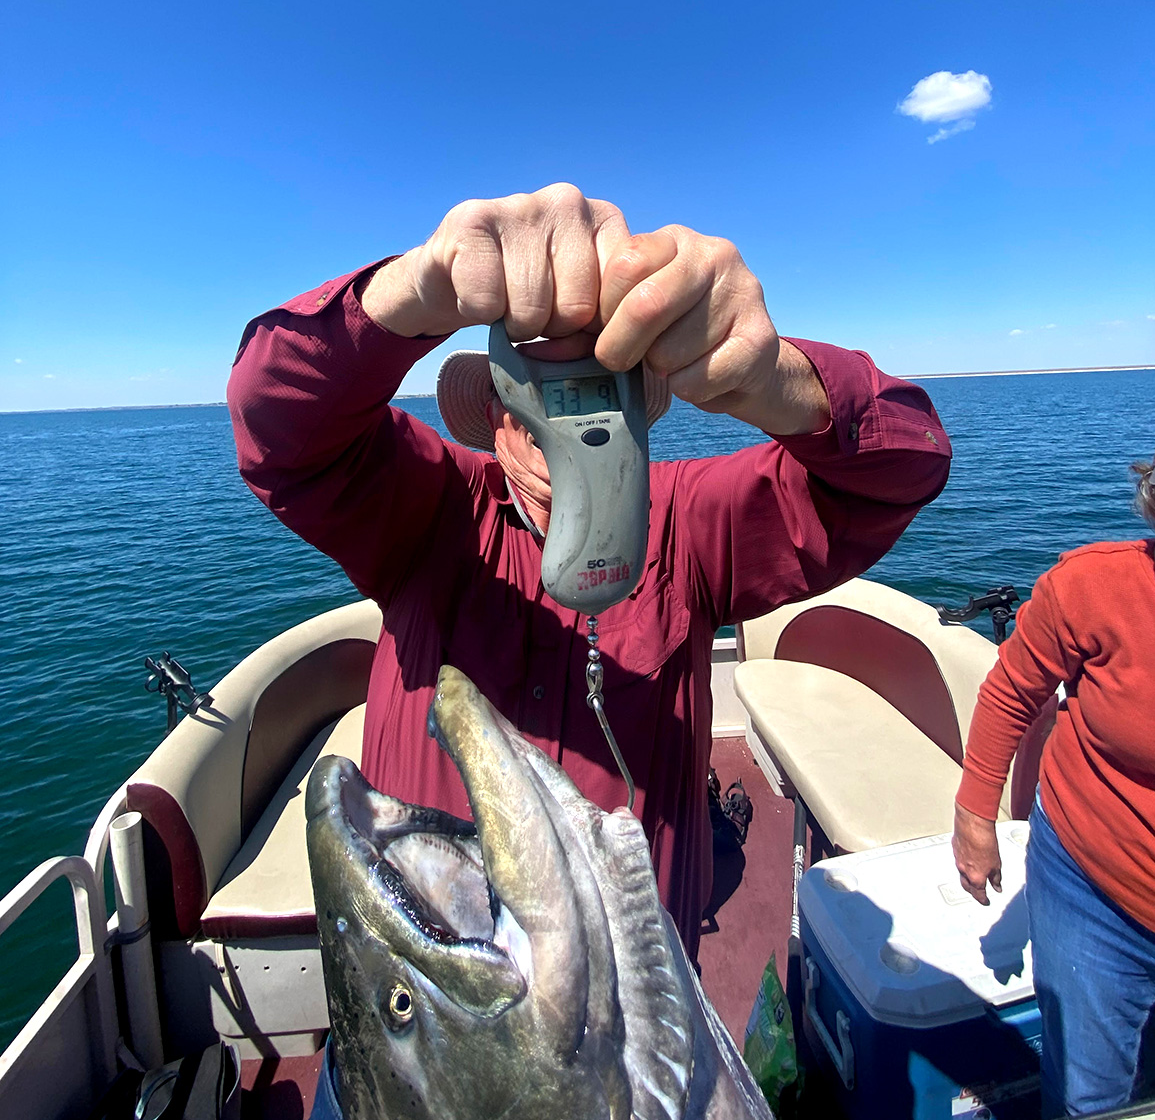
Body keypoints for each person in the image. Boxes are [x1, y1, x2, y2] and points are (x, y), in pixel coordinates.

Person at [228, 182, 951, 962]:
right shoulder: (427, 507)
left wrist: (781, 381)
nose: (562, 423)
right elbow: (278, 425)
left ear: (635, 411)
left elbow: (900, 469)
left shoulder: (690, 521)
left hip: (632, 1002)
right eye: (535, 396)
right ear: (500, 412)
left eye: (594, 393)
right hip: (429, 988)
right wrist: (416, 291)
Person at [953, 458, 1155, 1117]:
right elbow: (1011, 692)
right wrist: (974, 818)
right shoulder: (1093, 583)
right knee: (1087, 1097)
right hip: (1094, 883)